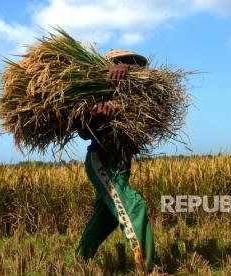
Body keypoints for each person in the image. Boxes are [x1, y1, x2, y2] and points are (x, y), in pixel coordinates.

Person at [76, 49, 156, 274]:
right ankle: (149, 269)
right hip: (101, 160)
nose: (133, 68)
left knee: (105, 218)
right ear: (109, 66)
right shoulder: (96, 93)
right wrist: (96, 118)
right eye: (125, 63)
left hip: (123, 161)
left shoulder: (138, 97)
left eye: (136, 65)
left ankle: (79, 260)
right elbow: (83, 131)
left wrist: (128, 70)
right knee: (134, 206)